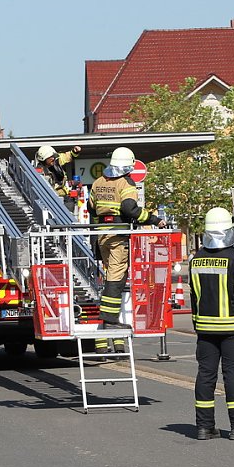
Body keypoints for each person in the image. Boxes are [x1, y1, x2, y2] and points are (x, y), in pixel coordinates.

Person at [189, 207, 234, 440]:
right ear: (229, 230)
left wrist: (197, 325)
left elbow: (194, 297)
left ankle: (204, 427)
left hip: (205, 330)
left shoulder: (196, 260)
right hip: (233, 329)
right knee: (232, 377)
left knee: (205, 376)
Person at [87, 147, 165, 355]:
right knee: (116, 277)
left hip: (102, 236)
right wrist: (154, 219)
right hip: (118, 236)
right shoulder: (126, 183)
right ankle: (110, 321)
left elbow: (91, 208)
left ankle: (108, 334)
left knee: (109, 278)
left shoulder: (98, 181)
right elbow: (130, 209)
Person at [36, 145, 81, 213]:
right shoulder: (40, 172)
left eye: (53, 156)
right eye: (50, 157)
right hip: (53, 200)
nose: (53, 158)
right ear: (43, 159)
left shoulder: (56, 160)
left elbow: (67, 156)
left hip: (65, 196)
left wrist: (74, 151)